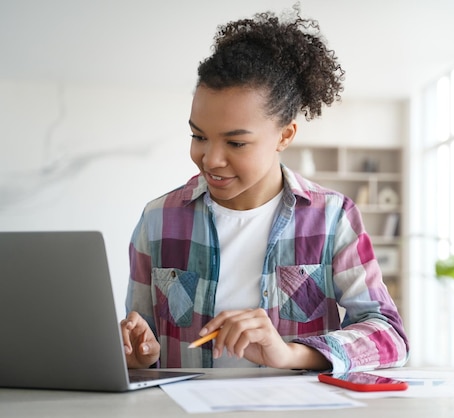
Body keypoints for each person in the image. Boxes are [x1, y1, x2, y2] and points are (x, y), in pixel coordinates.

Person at [120, 5, 409, 373]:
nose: (211, 159)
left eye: (236, 144)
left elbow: (390, 338)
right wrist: (139, 355)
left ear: (285, 135)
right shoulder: (158, 220)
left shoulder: (333, 216)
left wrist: (290, 354)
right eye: (198, 136)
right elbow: (143, 346)